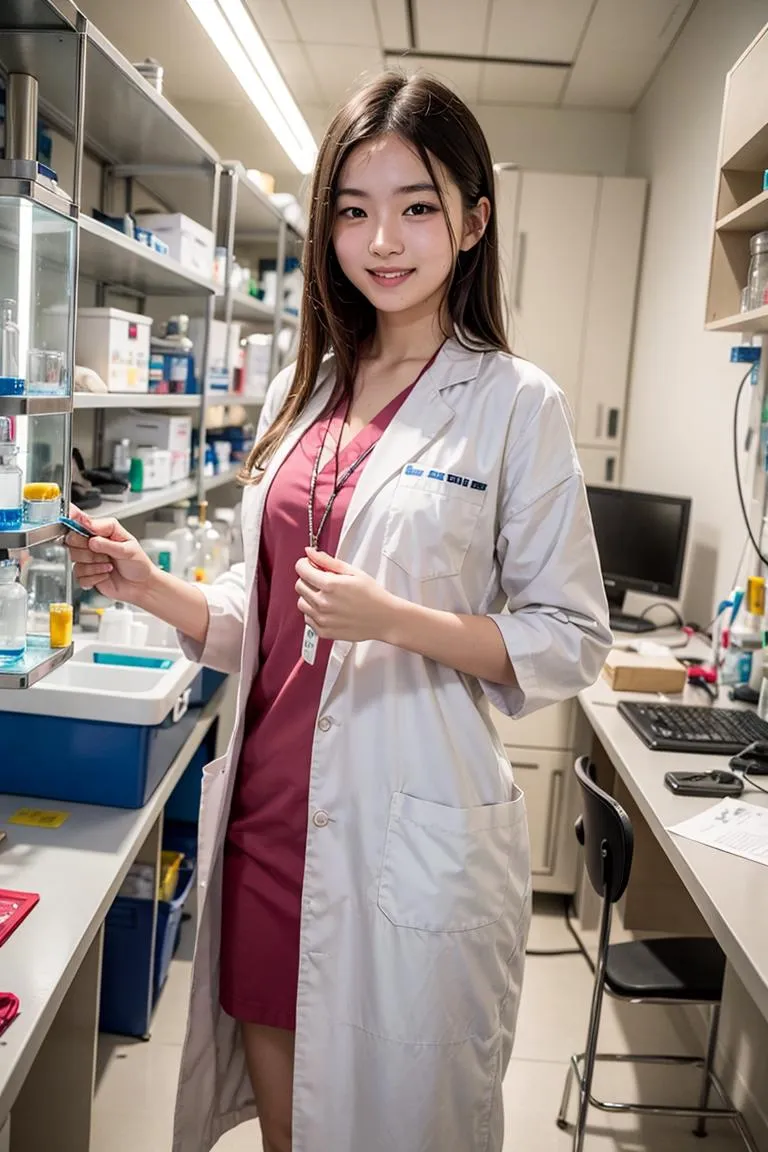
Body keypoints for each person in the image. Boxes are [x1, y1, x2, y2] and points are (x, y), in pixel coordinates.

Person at [66, 72, 612, 1152]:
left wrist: (395, 618)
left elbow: (572, 635)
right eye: (353, 210)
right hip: (270, 824)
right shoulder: (301, 386)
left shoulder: (514, 403)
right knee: (286, 1129)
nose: (384, 240)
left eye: (416, 205)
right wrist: (148, 585)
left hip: (408, 827)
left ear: (474, 218)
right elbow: (258, 615)